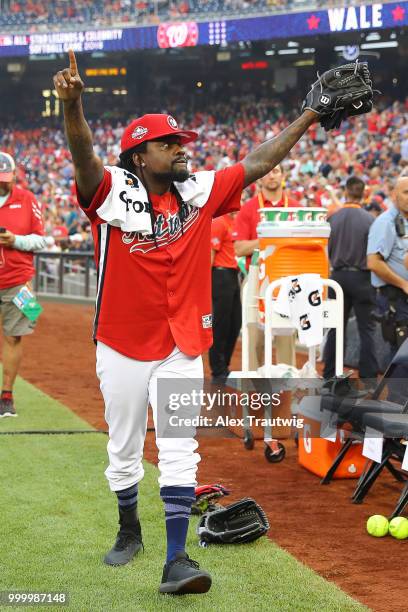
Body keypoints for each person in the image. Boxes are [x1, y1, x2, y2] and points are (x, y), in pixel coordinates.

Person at [53, 50, 357, 596]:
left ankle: (177, 560)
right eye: (169, 144)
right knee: (123, 447)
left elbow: (258, 162)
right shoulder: (111, 194)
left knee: (178, 444)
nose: (180, 149)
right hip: (122, 343)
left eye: (180, 142)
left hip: (181, 342)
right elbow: (84, 161)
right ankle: (129, 529)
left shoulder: (197, 191)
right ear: (140, 156)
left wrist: (309, 115)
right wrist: (72, 108)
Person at [232, 165, 298, 370]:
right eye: (268, 172)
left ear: (283, 176)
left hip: (287, 278)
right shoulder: (249, 208)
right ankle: (254, 391)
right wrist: (268, 239)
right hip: (255, 278)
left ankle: (287, 390)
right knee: (255, 340)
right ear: (260, 179)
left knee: (286, 338)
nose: (272, 175)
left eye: (276, 171)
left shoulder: (295, 207)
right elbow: (239, 248)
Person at [0, 151, 46, 418]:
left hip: (17, 281)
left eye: (7, 177)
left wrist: (15, 240)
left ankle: (6, 395)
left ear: (14, 174)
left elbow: (41, 240)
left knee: (14, 336)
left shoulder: (27, 199)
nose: (4, 183)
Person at [323, 176, 378, 380]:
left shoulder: (333, 218)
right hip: (362, 277)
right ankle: (369, 378)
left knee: (336, 328)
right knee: (367, 329)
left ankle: (330, 374)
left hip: (337, 276)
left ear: (346, 192)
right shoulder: (370, 219)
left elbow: (326, 249)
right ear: (363, 194)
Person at [367, 175, 408, 358]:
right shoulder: (385, 222)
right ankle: (398, 388)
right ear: (394, 195)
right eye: (406, 192)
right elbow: (373, 262)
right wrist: (403, 284)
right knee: (400, 353)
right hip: (396, 298)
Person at [209, 212, 241, 384]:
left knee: (235, 323)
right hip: (220, 275)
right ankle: (218, 369)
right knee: (221, 324)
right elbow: (210, 255)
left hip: (232, 274)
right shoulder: (220, 222)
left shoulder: (232, 221)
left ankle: (224, 365)